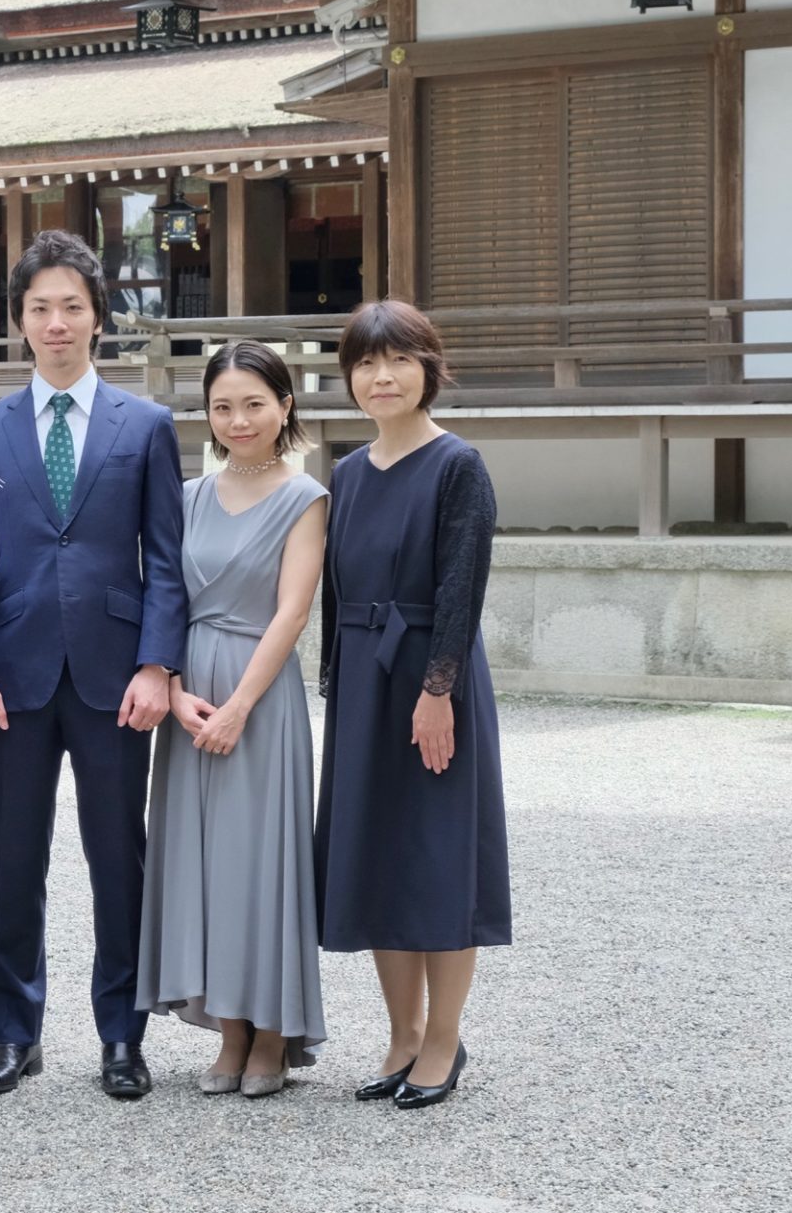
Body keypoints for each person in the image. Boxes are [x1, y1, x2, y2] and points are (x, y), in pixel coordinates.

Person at [0, 229, 187, 1099]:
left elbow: (165, 557)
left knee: (117, 860)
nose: (57, 322)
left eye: (72, 307)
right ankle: (13, 1033)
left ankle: (122, 1036)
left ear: (99, 319)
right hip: (10, 676)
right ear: (20, 322)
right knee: (16, 859)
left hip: (114, 674)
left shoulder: (146, 425)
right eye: (40, 308)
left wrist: (158, 662)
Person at [315, 300, 511, 1111]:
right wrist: (336, 682)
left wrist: (439, 690)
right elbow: (334, 592)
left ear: (429, 368)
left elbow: (462, 587)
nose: (381, 376)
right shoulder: (348, 474)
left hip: (435, 678)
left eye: (398, 359)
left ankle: (443, 1037)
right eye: (365, 362)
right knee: (374, 855)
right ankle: (400, 1033)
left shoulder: (457, 465)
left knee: (437, 855)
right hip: (363, 680)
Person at [137, 340, 329, 1099]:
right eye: (223, 405)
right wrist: (177, 689)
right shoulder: (187, 494)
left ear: (285, 405)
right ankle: (230, 1025)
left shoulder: (305, 496)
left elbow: (294, 608)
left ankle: (274, 1029)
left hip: (260, 693)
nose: (238, 418)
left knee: (261, 859)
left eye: (254, 402)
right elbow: (166, 595)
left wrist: (241, 704)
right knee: (203, 860)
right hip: (191, 698)